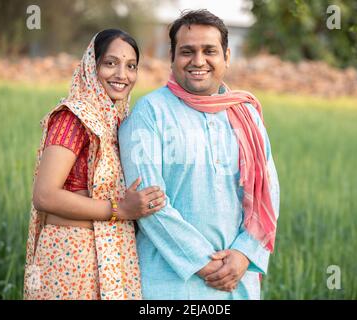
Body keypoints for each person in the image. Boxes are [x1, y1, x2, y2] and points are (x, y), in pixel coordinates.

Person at [118, 10, 280, 299]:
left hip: (238, 284)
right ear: (172, 56)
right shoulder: (150, 113)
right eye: (187, 51)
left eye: (210, 51)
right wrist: (205, 264)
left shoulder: (247, 117)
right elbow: (149, 203)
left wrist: (244, 255)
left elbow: (269, 192)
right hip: (168, 286)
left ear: (227, 57)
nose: (198, 61)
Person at [24, 29, 166, 300]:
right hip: (71, 257)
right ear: (92, 65)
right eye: (110, 63)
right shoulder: (74, 117)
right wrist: (119, 210)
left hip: (113, 257)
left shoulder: (120, 123)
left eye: (131, 66)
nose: (122, 75)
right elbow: (44, 195)